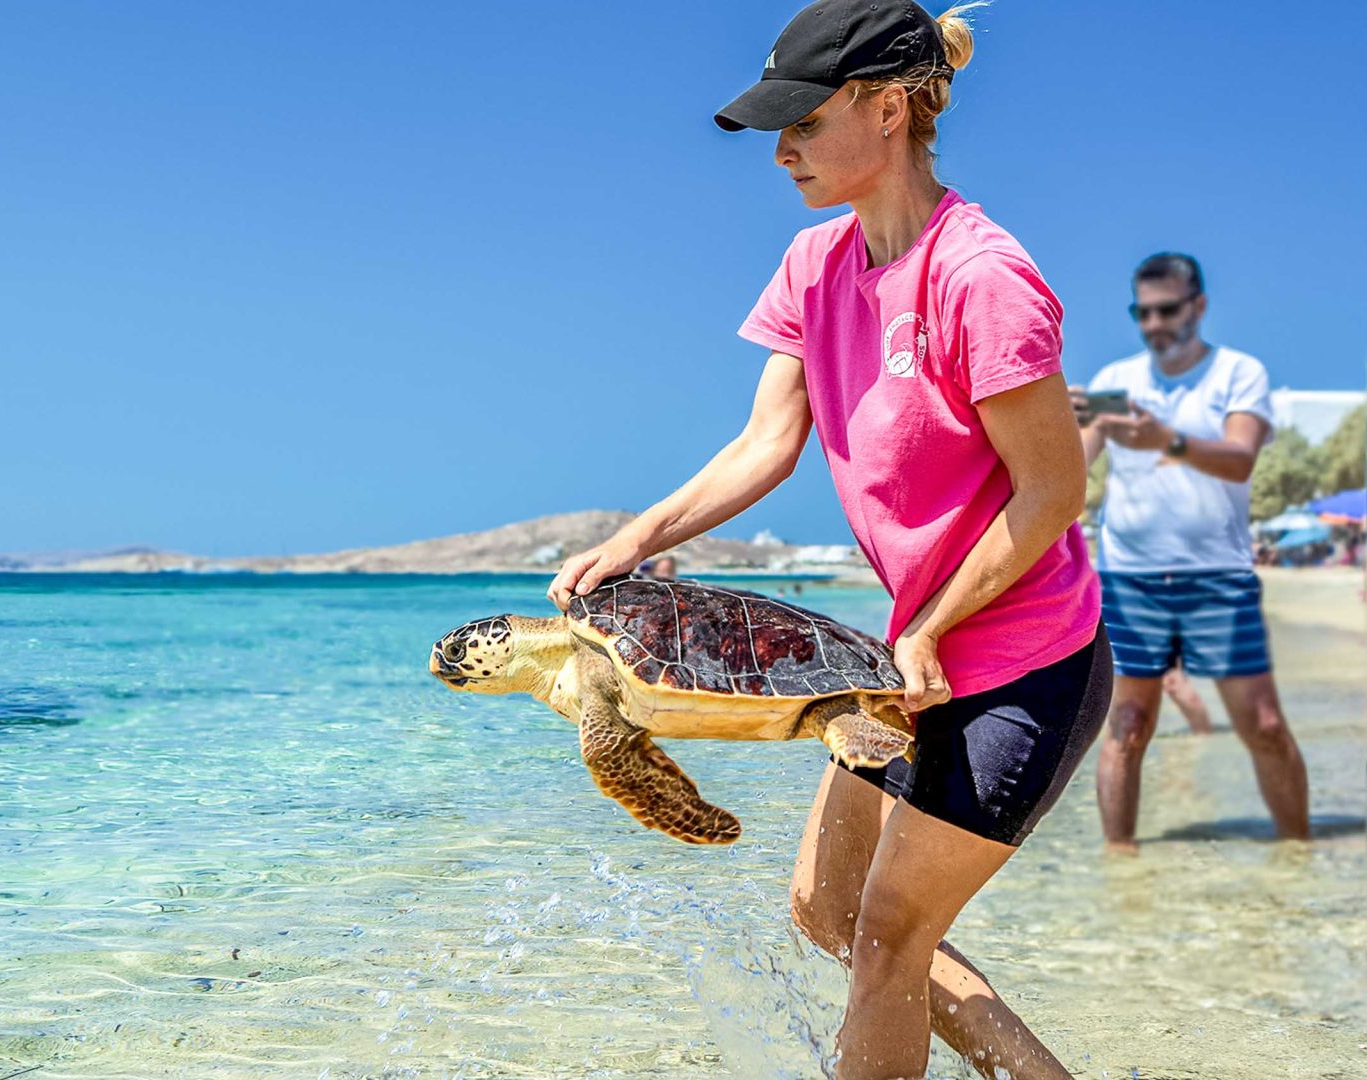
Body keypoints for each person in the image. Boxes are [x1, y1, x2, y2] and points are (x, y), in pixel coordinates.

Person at [547, 5, 1105, 1076]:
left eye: (804, 121)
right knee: (829, 908)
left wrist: (931, 626)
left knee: (890, 935)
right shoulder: (815, 263)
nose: (782, 150)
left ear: (888, 109)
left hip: (1023, 660)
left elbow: (1052, 493)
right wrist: (635, 540)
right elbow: (767, 443)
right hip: (904, 664)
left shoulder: (980, 276)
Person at [1072, 253, 1310, 851]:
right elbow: (1070, 471)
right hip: (1129, 580)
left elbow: (1240, 459)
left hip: (1217, 577)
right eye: (1142, 312)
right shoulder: (1115, 383)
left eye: (1167, 310)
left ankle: (1298, 856)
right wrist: (1050, 414)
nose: (1153, 324)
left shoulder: (1238, 373)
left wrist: (1165, 440)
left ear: (1199, 306)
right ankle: (1121, 869)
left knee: (1264, 725)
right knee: (1128, 725)